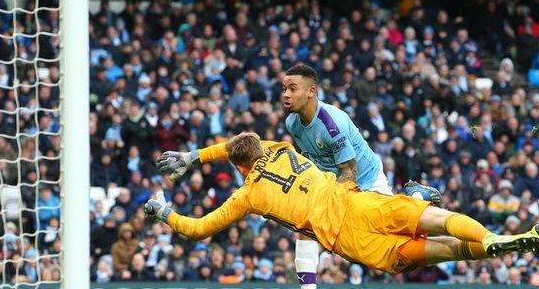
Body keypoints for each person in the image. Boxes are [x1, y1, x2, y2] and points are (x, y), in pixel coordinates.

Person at [158, 64, 442, 288]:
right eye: (283, 88)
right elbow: (236, 147)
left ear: (311, 91)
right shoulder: (292, 123)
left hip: (363, 180)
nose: (285, 94)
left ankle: (416, 195)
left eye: (292, 88)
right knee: (305, 231)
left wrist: (328, 209)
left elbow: (349, 171)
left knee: (395, 234)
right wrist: (191, 156)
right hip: (329, 182)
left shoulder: (333, 124)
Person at [147, 132, 539, 276]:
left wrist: (165, 212)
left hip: (346, 239)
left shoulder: (245, 197)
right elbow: (235, 145)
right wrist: (196, 156)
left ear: (237, 165)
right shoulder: (281, 149)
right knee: (435, 217)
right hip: (358, 202)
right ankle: (491, 236)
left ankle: (481, 250)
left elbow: (198, 229)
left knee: (442, 251)